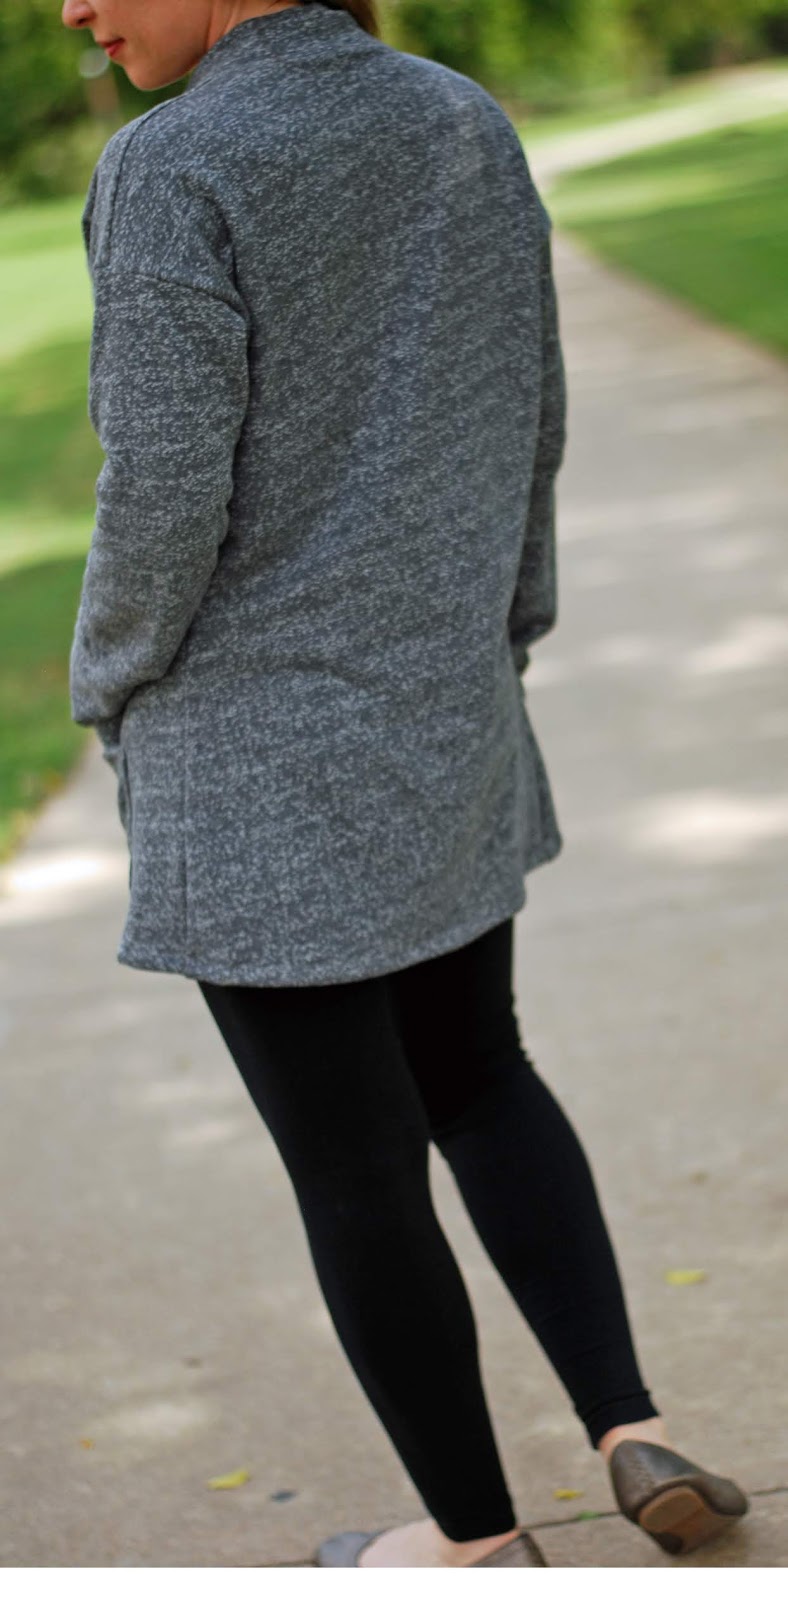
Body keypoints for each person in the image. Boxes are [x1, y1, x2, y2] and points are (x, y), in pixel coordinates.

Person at [64, 0, 749, 1568]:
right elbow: (533, 413)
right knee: (482, 1074)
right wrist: (505, 631)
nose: (71, 10)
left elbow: (161, 485)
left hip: (255, 751)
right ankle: (630, 1430)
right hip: (442, 707)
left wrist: (107, 674)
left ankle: (479, 1552)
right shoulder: (457, 117)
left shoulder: (174, 163)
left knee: (355, 1168)